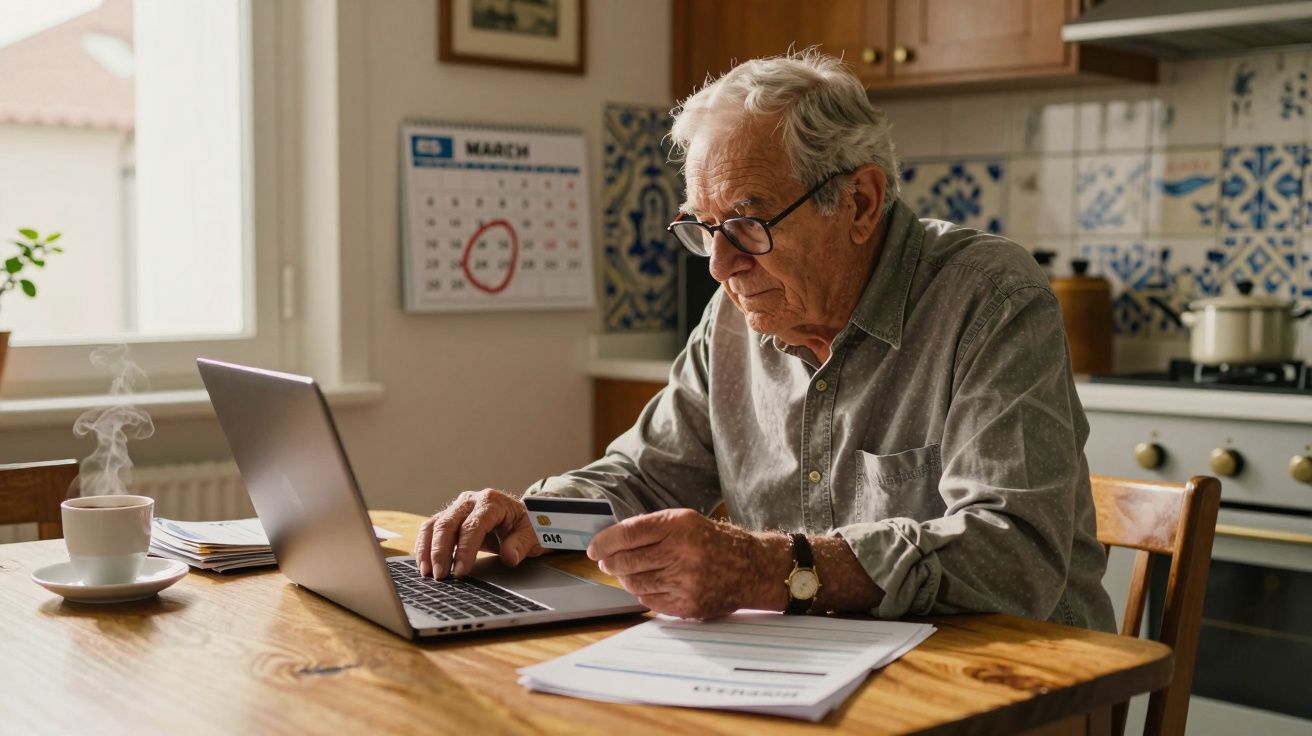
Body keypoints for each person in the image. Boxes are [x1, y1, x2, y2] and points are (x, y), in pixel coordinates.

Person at [414, 50, 1116, 632]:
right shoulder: (736, 313)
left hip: (1014, 688)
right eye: (704, 228)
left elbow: (1014, 556)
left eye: (749, 225)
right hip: (814, 674)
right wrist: (531, 519)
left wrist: (772, 568)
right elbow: (641, 477)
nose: (720, 266)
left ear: (861, 204)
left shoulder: (988, 297)